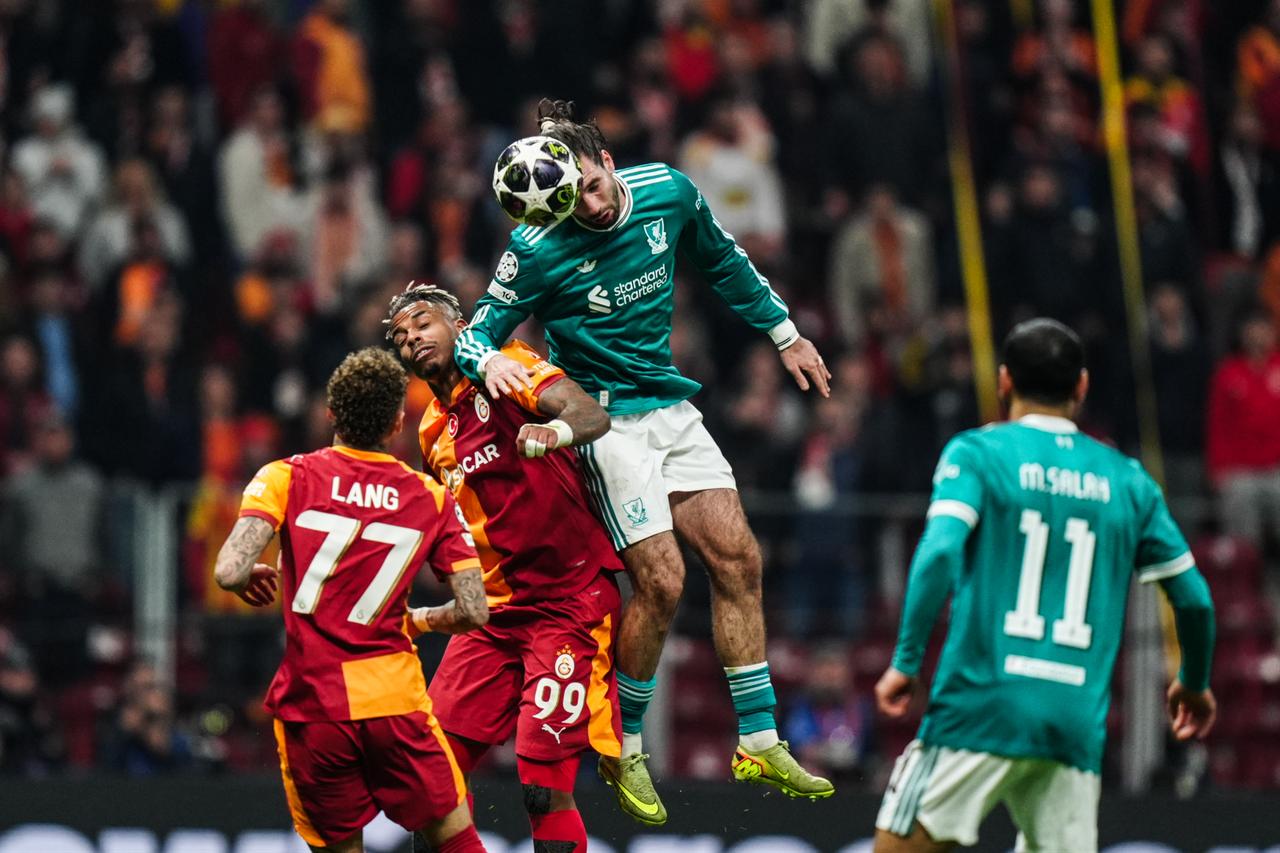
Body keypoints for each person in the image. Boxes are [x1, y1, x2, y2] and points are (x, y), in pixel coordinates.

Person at [455, 98, 833, 823]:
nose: (587, 208)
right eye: (569, 202)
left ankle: (757, 737)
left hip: (669, 407)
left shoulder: (669, 190)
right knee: (663, 581)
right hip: (602, 424)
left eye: (592, 188)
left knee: (740, 558)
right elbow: (476, 333)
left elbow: (724, 262)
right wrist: (489, 365)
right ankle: (623, 744)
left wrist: (784, 333)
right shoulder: (535, 247)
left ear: (606, 163)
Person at [872, 319, 1217, 853]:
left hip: (981, 707)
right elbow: (1193, 597)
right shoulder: (1128, 480)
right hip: (1073, 722)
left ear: (1005, 381)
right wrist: (1193, 681)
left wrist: (906, 661)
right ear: (1082, 387)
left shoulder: (977, 453)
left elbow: (939, 550)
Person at [213, 347, 489, 853]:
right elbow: (474, 609)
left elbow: (228, 569)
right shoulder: (430, 496)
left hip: (314, 706)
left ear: (331, 414)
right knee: (456, 839)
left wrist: (243, 579)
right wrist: (418, 620)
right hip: (395, 704)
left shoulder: (285, 476)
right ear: (397, 422)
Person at [386, 282, 624, 851]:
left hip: (568, 602)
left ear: (459, 325)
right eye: (400, 336)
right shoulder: (429, 431)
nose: (412, 338)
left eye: (422, 323)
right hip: (492, 616)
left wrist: (553, 430)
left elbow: (589, 413)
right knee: (432, 781)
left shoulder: (507, 368)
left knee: (542, 789)